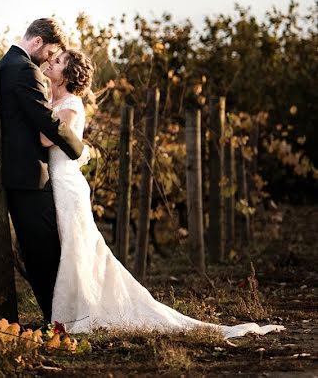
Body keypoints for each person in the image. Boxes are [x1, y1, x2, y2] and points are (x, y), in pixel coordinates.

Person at [42, 49, 285, 338]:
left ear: (67, 75)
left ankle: (79, 312)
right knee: (73, 246)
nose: (50, 62)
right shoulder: (53, 99)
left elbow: (46, 138)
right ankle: (74, 308)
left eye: (56, 62)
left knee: (76, 248)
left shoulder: (69, 105)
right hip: (57, 181)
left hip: (68, 185)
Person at [0, 18, 85, 324]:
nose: (49, 59)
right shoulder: (24, 69)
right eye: (50, 53)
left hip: (22, 176)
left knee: (41, 255)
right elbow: (46, 123)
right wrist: (79, 150)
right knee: (44, 256)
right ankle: (59, 320)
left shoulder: (7, 64)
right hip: (30, 178)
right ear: (37, 42)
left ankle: (58, 318)